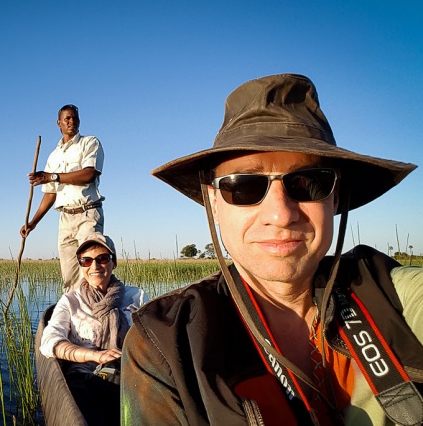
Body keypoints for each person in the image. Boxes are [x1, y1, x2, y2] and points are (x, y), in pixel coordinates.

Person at [121, 74, 423, 425]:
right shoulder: (166, 344)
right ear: (214, 202)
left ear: (335, 197)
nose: (280, 214)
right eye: (244, 186)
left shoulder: (392, 294)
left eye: (309, 183)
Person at [40, 233, 147, 426]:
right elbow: (49, 342)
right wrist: (94, 356)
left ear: (114, 262)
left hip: (130, 373)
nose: (95, 266)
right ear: (81, 266)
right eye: (86, 261)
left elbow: (150, 336)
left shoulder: (136, 296)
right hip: (86, 377)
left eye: (102, 258)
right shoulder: (71, 301)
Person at [21, 104, 105, 292]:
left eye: (74, 118)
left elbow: (89, 174)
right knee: (69, 276)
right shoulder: (54, 155)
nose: (71, 121)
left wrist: (52, 176)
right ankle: (74, 316)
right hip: (65, 218)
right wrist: (33, 223)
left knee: (91, 268)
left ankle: (96, 312)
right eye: (67, 118)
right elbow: (50, 193)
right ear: (59, 123)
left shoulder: (90, 143)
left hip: (87, 213)